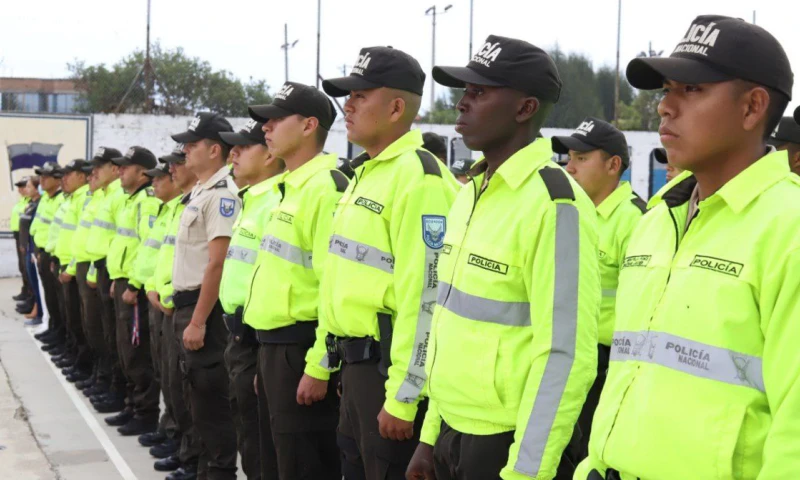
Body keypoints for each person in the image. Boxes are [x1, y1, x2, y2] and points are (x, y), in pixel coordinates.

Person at [576, 15, 800, 480]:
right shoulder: (658, 219)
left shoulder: (788, 228)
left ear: (752, 107)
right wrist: (594, 464)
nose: (664, 106)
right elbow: (629, 369)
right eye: (666, 90)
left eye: (692, 89)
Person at [404, 35, 599, 480]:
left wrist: (526, 471)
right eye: (464, 91)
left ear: (525, 108)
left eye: (479, 92)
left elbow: (566, 356)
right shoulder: (471, 193)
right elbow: (449, 319)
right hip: (451, 429)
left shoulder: (555, 205)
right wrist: (430, 438)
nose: (461, 103)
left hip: (505, 443)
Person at [320, 46, 459, 479]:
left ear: (397, 108)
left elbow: (427, 295)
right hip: (355, 366)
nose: (348, 105)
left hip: (387, 373)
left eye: (360, 96)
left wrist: (404, 394)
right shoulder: (367, 172)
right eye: (348, 96)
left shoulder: (420, 179)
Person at [245, 81, 345, 479]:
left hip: (301, 348)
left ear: (308, 125)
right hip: (273, 348)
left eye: (275, 119)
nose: (265, 128)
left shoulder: (325, 189)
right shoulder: (292, 187)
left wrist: (319, 364)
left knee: (303, 465)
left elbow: (332, 285)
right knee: (276, 463)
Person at [553, 117, 646, 457]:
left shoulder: (636, 220)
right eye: (569, 158)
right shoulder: (572, 211)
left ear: (613, 165)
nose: (569, 168)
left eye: (581, 158)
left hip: (605, 367)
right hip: (566, 356)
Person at [170, 112, 239, 480]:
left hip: (204, 311)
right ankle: (200, 468)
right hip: (186, 305)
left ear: (214, 150)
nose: (185, 150)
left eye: (192, 144)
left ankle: (218, 472)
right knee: (192, 396)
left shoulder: (222, 195)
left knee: (210, 401)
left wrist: (198, 321)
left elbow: (217, 263)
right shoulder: (200, 191)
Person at [216, 118, 284, 480]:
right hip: (239, 337)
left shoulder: (275, 201)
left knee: (260, 443)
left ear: (270, 155)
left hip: (258, 338)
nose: (234, 155)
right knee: (247, 432)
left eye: (243, 148)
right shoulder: (253, 199)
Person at [155, 148, 203, 480]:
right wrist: (154, 286)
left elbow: (211, 264)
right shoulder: (180, 205)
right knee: (172, 380)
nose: (171, 169)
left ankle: (193, 456)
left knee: (190, 389)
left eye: (177, 162)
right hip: (167, 300)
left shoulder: (208, 200)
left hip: (187, 305)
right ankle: (183, 446)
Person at [106, 147, 161, 436]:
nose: (120, 171)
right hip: (124, 281)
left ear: (142, 173)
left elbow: (147, 247)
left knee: (137, 353)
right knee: (125, 350)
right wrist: (118, 278)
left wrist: (134, 284)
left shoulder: (146, 202)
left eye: (125, 167)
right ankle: (131, 405)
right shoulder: (132, 200)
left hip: (135, 288)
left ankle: (145, 412)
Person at [132, 160, 181, 460]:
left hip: (171, 302)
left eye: (161, 178)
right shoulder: (166, 210)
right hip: (155, 296)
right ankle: (168, 425)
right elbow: (158, 255)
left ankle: (178, 436)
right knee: (163, 369)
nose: (155, 183)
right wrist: (150, 285)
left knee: (175, 376)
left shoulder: (183, 207)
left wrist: (163, 293)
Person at [84, 147, 129, 415]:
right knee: (103, 331)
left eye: (100, 167)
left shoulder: (119, 196)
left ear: (114, 169)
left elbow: (121, 241)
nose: (95, 172)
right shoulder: (103, 195)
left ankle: (117, 389)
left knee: (114, 335)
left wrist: (113, 277)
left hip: (112, 272)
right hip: (101, 268)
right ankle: (108, 382)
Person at [68, 161, 111, 397]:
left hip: (100, 270)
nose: (91, 177)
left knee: (100, 329)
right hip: (87, 265)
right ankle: (97, 373)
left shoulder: (111, 198)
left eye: (96, 173)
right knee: (89, 325)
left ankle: (106, 379)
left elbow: (111, 242)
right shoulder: (97, 197)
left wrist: (93, 272)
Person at [55, 159, 93, 384]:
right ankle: (75, 356)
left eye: (68, 174)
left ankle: (84, 364)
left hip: (77, 267)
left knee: (82, 321)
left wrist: (70, 267)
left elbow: (86, 241)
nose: (64, 179)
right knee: (71, 316)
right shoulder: (73, 198)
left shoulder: (85, 198)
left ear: (81, 176)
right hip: (67, 263)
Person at [31, 162, 66, 354]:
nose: (42, 180)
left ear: (58, 180)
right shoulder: (46, 198)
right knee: (50, 296)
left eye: (46, 177)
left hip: (54, 254)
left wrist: (52, 255)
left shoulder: (61, 199)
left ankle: (59, 333)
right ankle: (53, 328)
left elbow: (60, 232)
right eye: (41, 176)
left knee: (57, 298)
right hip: (42, 251)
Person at [20, 177, 44, 327]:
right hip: (29, 247)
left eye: (29, 186)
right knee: (33, 283)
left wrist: (34, 251)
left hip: (34, 249)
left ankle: (40, 313)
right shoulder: (31, 204)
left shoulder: (39, 204)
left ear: (37, 188)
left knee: (37, 283)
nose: (26, 189)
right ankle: (37, 310)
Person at [11, 177, 33, 305]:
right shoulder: (22, 201)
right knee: (22, 266)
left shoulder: (31, 202)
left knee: (26, 266)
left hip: (25, 236)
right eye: (19, 186)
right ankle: (25, 291)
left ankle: (29, 295)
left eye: (23, 186)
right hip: (18, 235)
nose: (20, 189)